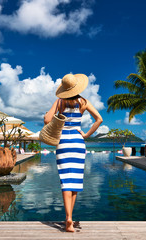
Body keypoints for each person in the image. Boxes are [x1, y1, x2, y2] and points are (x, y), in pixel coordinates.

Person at [44, 73, 103, 232]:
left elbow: (47, 120)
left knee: (65, 179)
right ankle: (69, 218)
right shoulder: (83, 102)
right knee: (75, 180)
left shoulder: (60, 101)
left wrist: (56, 112)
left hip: (63, 142)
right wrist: (86, 135)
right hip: (78, 142)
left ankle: (68, 218)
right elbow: (99, 119)